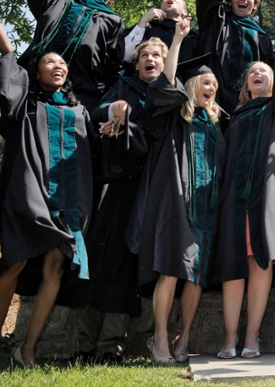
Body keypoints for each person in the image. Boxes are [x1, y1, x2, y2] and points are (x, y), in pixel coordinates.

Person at [0, 0, 93, 369]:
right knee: (14, 261)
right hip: (29, 194)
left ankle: (29, 348)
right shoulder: (27, 101)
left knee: (55, 267)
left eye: (62, 64)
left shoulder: (80, 113)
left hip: (69, 200)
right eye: (49, 63)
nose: (57, 66)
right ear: (37, 71)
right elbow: (9, 55)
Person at [214, 0, 275, 359]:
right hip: (235, 197)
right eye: (253, 71)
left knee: (261, 261)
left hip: (267, 197)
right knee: (232, 265)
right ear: (246, 83)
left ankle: (251, 337)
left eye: (265, 72)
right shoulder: (235, 116)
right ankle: (229, 337)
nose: (258, 73)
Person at [71, 35, 163, 362]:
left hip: (147, 185)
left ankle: (111, 346)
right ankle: (84, 345)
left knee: (125, 266)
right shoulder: (123, 87)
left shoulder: (166, 93)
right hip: (115, 183)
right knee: (97, 258)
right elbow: (96, 110)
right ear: (136, 63)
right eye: (144, 56)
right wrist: (114, 108)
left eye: (156, 55)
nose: (150, 59)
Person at [141, 19, 226, 364]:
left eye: (215, 85)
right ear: (191, 85)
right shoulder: (176, 115)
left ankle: (185, 336)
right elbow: (164, 85)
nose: (211, 88)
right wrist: (177, 40)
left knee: (196, 277)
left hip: (207, 207)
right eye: (206, 82)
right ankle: (159, 337)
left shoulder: (220, 122)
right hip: (176, 202)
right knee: (172, 269)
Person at [123, 0, 194, 68]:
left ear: (184, 12)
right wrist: (143, 20)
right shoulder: (146, 27)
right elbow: (126, 56)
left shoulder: (192, 36)